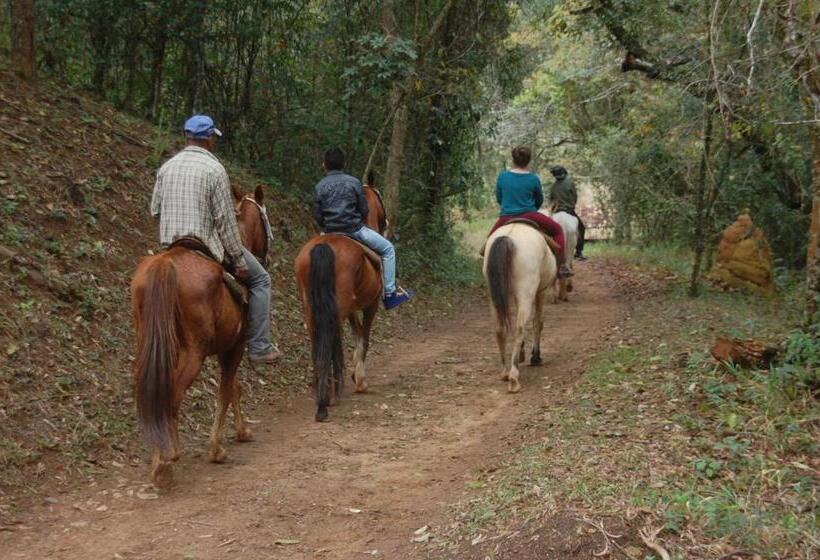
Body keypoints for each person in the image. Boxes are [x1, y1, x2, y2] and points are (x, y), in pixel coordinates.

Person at [150, 115, 280, 364]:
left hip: (171, 245)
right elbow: (224, 221)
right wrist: (238, 259)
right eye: (213, 138)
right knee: (262, 279)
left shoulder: (166, 167)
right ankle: (260, 346)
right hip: (205, 246)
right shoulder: (215, 169)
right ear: (208, 139)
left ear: (188, 137)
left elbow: (155, 210)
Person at [313, 148, 413, 310]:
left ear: (324, 165)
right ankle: (390, 294)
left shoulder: (319, 186)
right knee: (388, 249)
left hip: (329, 231)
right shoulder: (354, 182)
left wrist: (326, 227)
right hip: (354, 230)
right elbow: (364, 211)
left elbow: (317, 215)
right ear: (344, 164)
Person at [488, 147, 572, 278]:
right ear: (528, 161)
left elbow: (499, 198)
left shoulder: (503, 176)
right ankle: (561, 265)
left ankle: (487, 262)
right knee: (557, 230)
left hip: (506, 217)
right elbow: (539, 200)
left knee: (489, 241)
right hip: (530, 215)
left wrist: (508, 207)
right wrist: (531, 208)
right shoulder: (533, 179)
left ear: (513, 160)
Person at [549, 165, 587, 260]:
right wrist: (571, 205)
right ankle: (579, 252)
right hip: (568, 210)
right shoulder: (570, 183)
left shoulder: (553, 186)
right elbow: (574, 197)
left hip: (556, 211)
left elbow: (551, 199)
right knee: (581, 228)